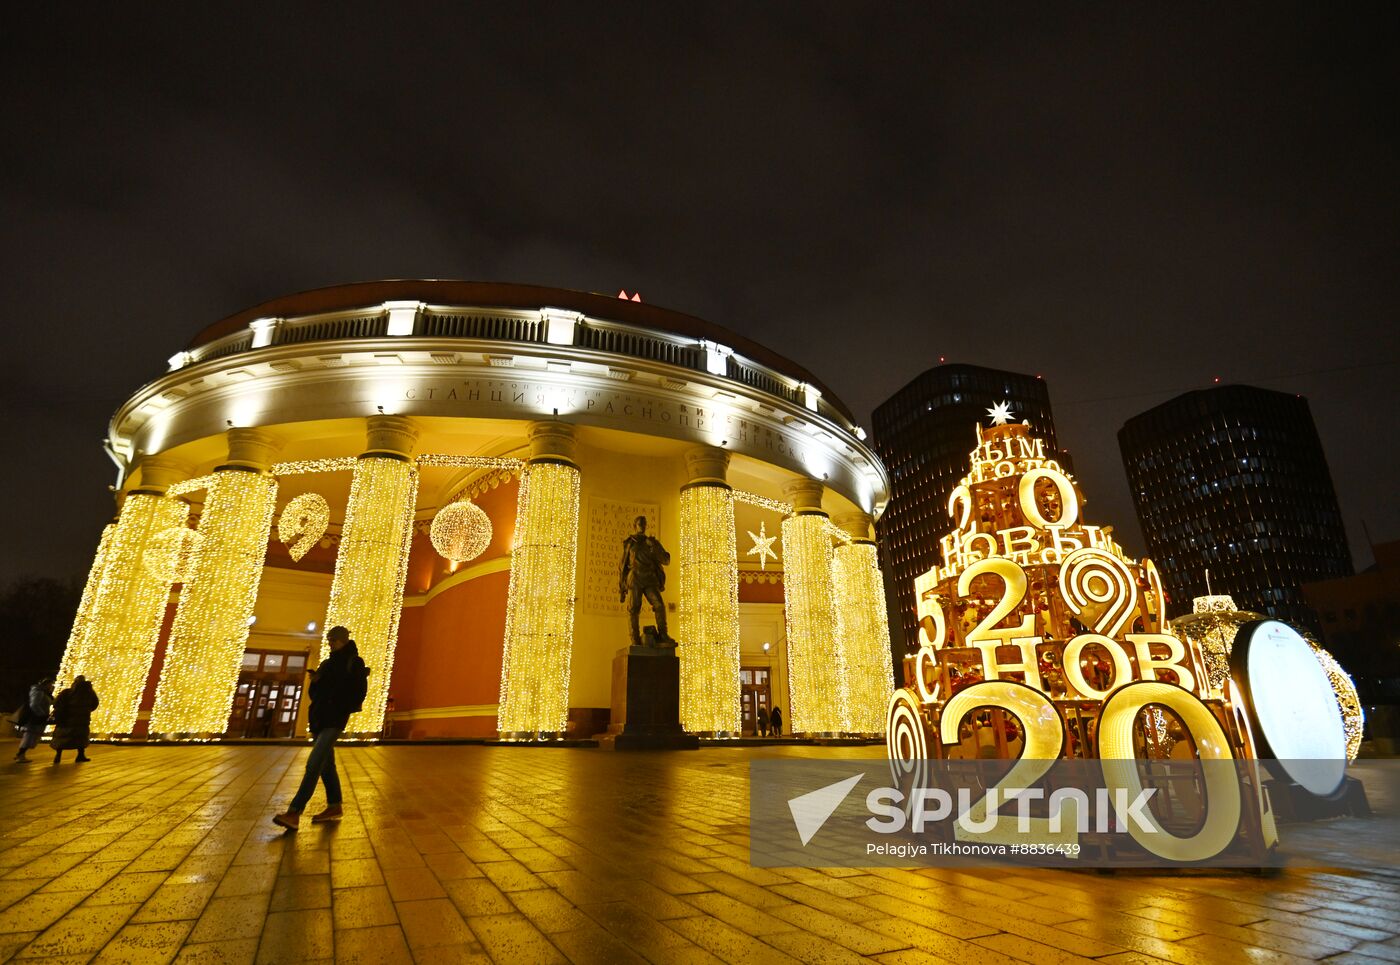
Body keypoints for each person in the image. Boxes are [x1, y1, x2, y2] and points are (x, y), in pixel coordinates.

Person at [273, 626, 369, 831]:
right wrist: (316, 682)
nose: (330, 644)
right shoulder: (326, 663)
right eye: (329, 640)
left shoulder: (354, 662)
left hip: (334, 719)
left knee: (313, 764)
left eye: (334, 640)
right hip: (319, 719)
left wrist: (339, 704)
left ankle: (294, 812)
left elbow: (360, 692)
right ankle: (334, 806)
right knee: (326, 765)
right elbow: (315, 692)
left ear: (343, 640)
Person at [619, 515, 672, 648]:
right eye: (639, 524)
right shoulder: (629, 543)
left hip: (649, 579)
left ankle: (663, 634)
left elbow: (666, 560)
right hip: (635, 578)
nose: (641, 526)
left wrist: (653, 547)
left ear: (646, 526)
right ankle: (635, 640)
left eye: (643, 524)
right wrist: (622, 586)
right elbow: (623, 565)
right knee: (633, 609)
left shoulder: (651, 542)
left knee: (659, 605)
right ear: (635, 526)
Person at [51, 676, 99, 764]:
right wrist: (85, 710)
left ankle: (58, 755)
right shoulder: (89, 693)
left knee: (62, 736)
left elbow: (57, 703)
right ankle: (80, 755)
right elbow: (95, 703)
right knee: (80, 736)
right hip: (82, 719)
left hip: (66, 718)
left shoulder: (67, 692)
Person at [13, 677, 54, 763]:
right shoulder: (38, 692)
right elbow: (34, 705)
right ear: (45, 685)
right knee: (29, 737)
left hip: (37, 718)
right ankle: (20, 755)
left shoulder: (43, 692)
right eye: (50, 685)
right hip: (34, 719)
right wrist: (42, 714)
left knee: (31, 737)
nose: (51, 687)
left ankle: (21, 754)